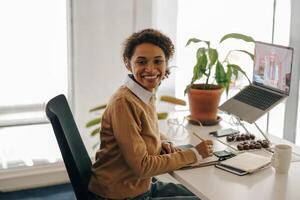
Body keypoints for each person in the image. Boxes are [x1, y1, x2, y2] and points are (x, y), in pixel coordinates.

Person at [89, 28, 214, 200]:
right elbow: (142, 166)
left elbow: (145, 130)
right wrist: (194, 154)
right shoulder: (123, 102)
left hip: (138, 186)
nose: (150, 69)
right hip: (120, 194)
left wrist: (163, 140)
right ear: (127, 63)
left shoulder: (143, 92)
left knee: (204, 195)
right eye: (141, 62)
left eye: (158, 61)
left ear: (165, 63)